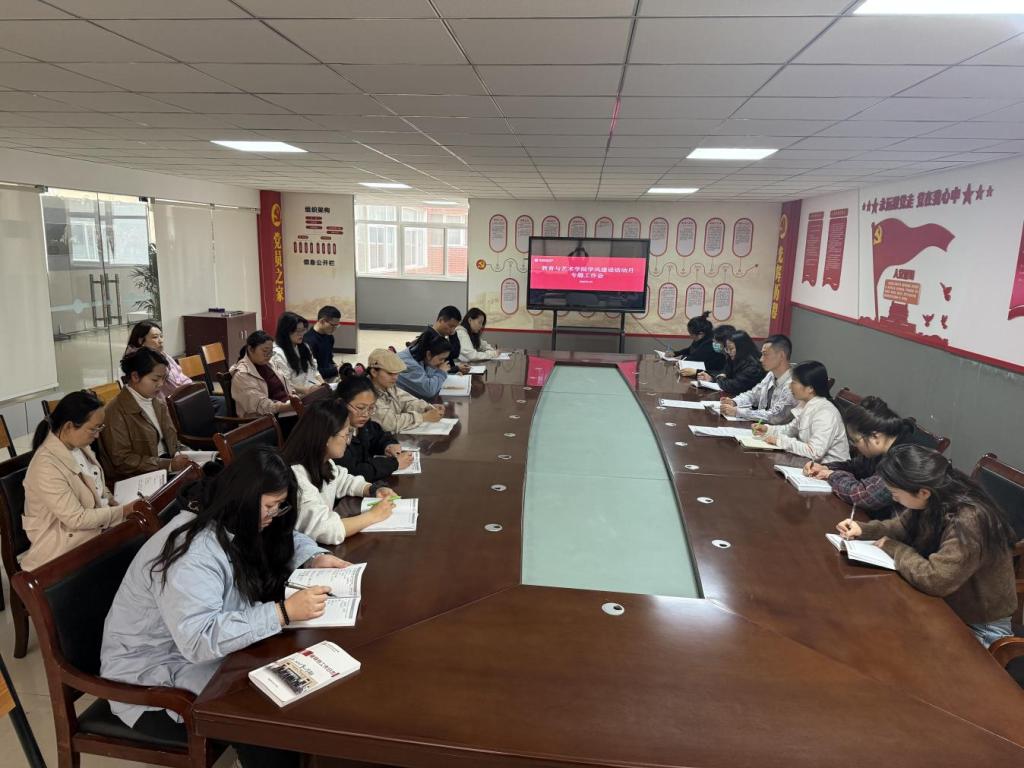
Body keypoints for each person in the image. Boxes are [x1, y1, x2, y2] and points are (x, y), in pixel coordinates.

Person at [101, 447, 349, 767]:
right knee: (267, 722)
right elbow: (198, 640)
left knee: (296, 689)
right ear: (244, 497)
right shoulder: (193, 552)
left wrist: (313, 556)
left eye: (280, 506)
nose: (273, 515)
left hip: (203, 654)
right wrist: (282, 613)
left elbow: (282, 536)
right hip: (156, 675)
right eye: (269, 507)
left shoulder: (232, 514)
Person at [835, 444, 1017, 648]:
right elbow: (902, 527)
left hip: (978, 626)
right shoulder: (936, 495)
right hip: (945, 604)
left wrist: (894, 548)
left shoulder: (969, 520)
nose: (894, 498)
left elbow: (936, 579)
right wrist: (864, 530)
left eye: (896, 493)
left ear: (923, 492)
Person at [22, 391, 140, 571]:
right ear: (69, 426)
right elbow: (76, 519)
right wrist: (123, 510)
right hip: (64, 545)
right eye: (94, 429)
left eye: (100, 428)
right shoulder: (45, 466)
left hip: (93, 528)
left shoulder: (78, 445)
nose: (97, 435)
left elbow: (97, 484)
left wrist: (112, 500)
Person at [282, 400, 397, 545]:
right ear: (326, 438)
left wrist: (372, 489)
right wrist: (373, 516)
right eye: (346, 434)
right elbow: (325, 529)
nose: (348, 442)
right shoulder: (297, 476)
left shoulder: (324, 462)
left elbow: (343, 480)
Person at [804, 396, 916, 519]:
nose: (855, 446)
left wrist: (832, 475)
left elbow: (862, 496)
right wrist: (826, 467)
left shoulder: (904, 460)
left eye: (855, 440)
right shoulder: (884, 447)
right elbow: (856, 466)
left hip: (891, 526)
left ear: (875, 437)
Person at [99, 348, 189, 482]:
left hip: (167, 467)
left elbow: (172, 442)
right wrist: (168, 465)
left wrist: (189, 454)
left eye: (164, 378)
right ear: (135, 377)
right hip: (141, 478)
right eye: (155, 379)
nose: (161, 384)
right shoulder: (115, 412)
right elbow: (122, 461)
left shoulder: (157, 402)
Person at [752, 361, 849, 463]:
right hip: (809, 465)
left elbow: (814, 452)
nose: (789, 386)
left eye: (794, 382)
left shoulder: (825, 413)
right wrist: (767, 429)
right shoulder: (805, 404)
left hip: (831, 469)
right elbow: (790, 430)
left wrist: (779, 441)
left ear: (810, 388)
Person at [125, 320, 226, 415]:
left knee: (222, 402)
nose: (160, 341)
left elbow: (179, 375)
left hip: (184, 397)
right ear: (141, 341)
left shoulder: (162, 354)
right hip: (172, 404)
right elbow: (173, 386)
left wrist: (193, 389)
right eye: (155, 337)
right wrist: (192, 391)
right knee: (219, 405)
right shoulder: (141, 362)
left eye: (161, 336)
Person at [334, 375, 413, 481]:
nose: (366, 414)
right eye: (360, 408)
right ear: (340, 403)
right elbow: (353, 472)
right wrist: (394, 464)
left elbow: (378, 435)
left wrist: (388, 445)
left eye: (371, 408)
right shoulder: (334, 433)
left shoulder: (360, 422)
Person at [719, 334, 796, 425]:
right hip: (761, 427)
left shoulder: (794, 383)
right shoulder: (771, 374)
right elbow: (753, 394)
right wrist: (734, 402)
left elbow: (776, 416)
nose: (761, 359)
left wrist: (738, 412)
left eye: (765, 354)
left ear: (781, 356)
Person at [366, 348, 444, 434]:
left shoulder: (388, 386)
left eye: (397, 373)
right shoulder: (366, 394)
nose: (395, 377)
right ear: (374, 372)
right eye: (390, 373)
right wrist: (423, 417)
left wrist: (426, 407)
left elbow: (406, 401)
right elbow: (390, 424)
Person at [229, 330, 295, 418]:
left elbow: (286, 385)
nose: (269, 355)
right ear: (251, 349)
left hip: (284, 409)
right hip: (267, 418)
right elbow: (259, 404)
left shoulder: (270, 364)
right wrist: (286, 407)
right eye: (265, 351)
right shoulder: (242, 374)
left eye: (271, 352)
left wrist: (297, 398)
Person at [271, 311, 324, 395]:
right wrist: (307, 391)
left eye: (303, 330)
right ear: (286, 332)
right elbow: (285, 383)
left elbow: (314, 369)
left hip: (312, 387)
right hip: (297, 394)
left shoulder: (304, 346)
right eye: (297, 331)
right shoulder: (278, 353)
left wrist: (323, 384)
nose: (301, 334)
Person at [697, 330, 764, 396]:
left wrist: (720, 378)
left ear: (742, 347)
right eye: (727, 349)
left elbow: (734, 385)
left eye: (731, 349)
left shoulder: (753, 366)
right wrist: (711, 378)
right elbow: (725, 375)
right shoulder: (734, 359)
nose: (728, 352)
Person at [396, 329, 452, 400]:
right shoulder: (408, 364)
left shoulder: (420, 356)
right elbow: (429, 391)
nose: (442, 362)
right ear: (428, 354)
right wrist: (441, 373)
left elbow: (430, 377)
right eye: (441, 359)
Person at [424, 305, 469, 374]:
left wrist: (453, 334)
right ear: (440, 320)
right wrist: (456, 368)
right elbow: (434, 368)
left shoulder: (440, 336)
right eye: (451, 326)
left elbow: (454, 354)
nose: (452, 330)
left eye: (455, 327)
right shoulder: (430, 337)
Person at [303, 305, 342, 382]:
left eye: (337, 326)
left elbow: (329, 360)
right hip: (317, 380)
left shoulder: (329, 337)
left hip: (329, 375)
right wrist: (336, 370)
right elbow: (312, 373)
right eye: (333, 325)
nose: (334, 329)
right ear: (322, 321)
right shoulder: (309, 341)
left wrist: (336, 366)